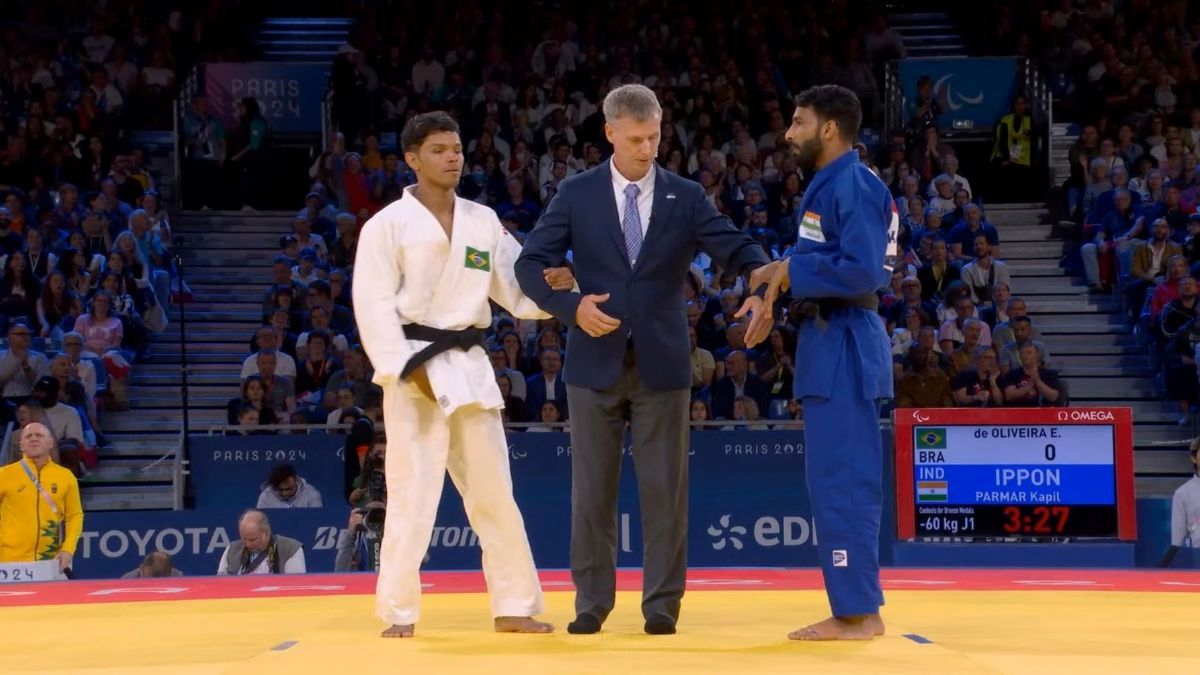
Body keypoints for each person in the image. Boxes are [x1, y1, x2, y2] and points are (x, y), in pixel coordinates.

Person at [514, 84, 772, 636]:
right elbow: (530, 264)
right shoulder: (576, 193)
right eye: (635, 139)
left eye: (654, 137)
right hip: (593, 363)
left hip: (663, 363)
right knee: (591, 492)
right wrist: (571, 308)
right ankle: (591, 604)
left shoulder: (687, 195)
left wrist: (759, 282)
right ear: (609, 133)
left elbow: (736, 246)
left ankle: (661, 606)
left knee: (665, 493)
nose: (647, 149)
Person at [354, 111, 573, 639]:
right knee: (412, 492)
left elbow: (517, 290)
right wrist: (405, 369)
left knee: (495, 491)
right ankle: (399, 612)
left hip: (470, 368)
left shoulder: (482, 221)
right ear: (412, 159)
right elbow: (372, 305)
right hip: (415, 367)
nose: (452, 157)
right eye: (438, 150)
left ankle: (514, 604)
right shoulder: (387, 226)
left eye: (456, 148)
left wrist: (556, 288)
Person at [751, 85, 893, 641]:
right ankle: (861, 608)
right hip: (831, 339)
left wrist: (792, 272)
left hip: (845, 343)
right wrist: (781, 276)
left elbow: (862, 271)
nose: (789, 133)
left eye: (798, 122)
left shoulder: (852, 183)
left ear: (829, 129)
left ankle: (855, 613)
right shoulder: (833, 183)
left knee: (843, 482)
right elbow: (832, 259)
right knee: (838, 480)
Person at [0, 423, 83, 570]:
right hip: (8, 562)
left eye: (39, 435)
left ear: (50, 443)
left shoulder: (66, 476)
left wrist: (68, 549)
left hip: (52, 561)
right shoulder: (4, 475)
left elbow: (75, 515)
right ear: (21, 445)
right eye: (28, 436)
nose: (33, 439)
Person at [216, 509, 306, 575]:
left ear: (266, 533)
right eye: (244, 539)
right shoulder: (232, 549)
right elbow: (221, 583)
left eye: (252, 540)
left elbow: (295, 585)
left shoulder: (290, 549)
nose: (247, 544)